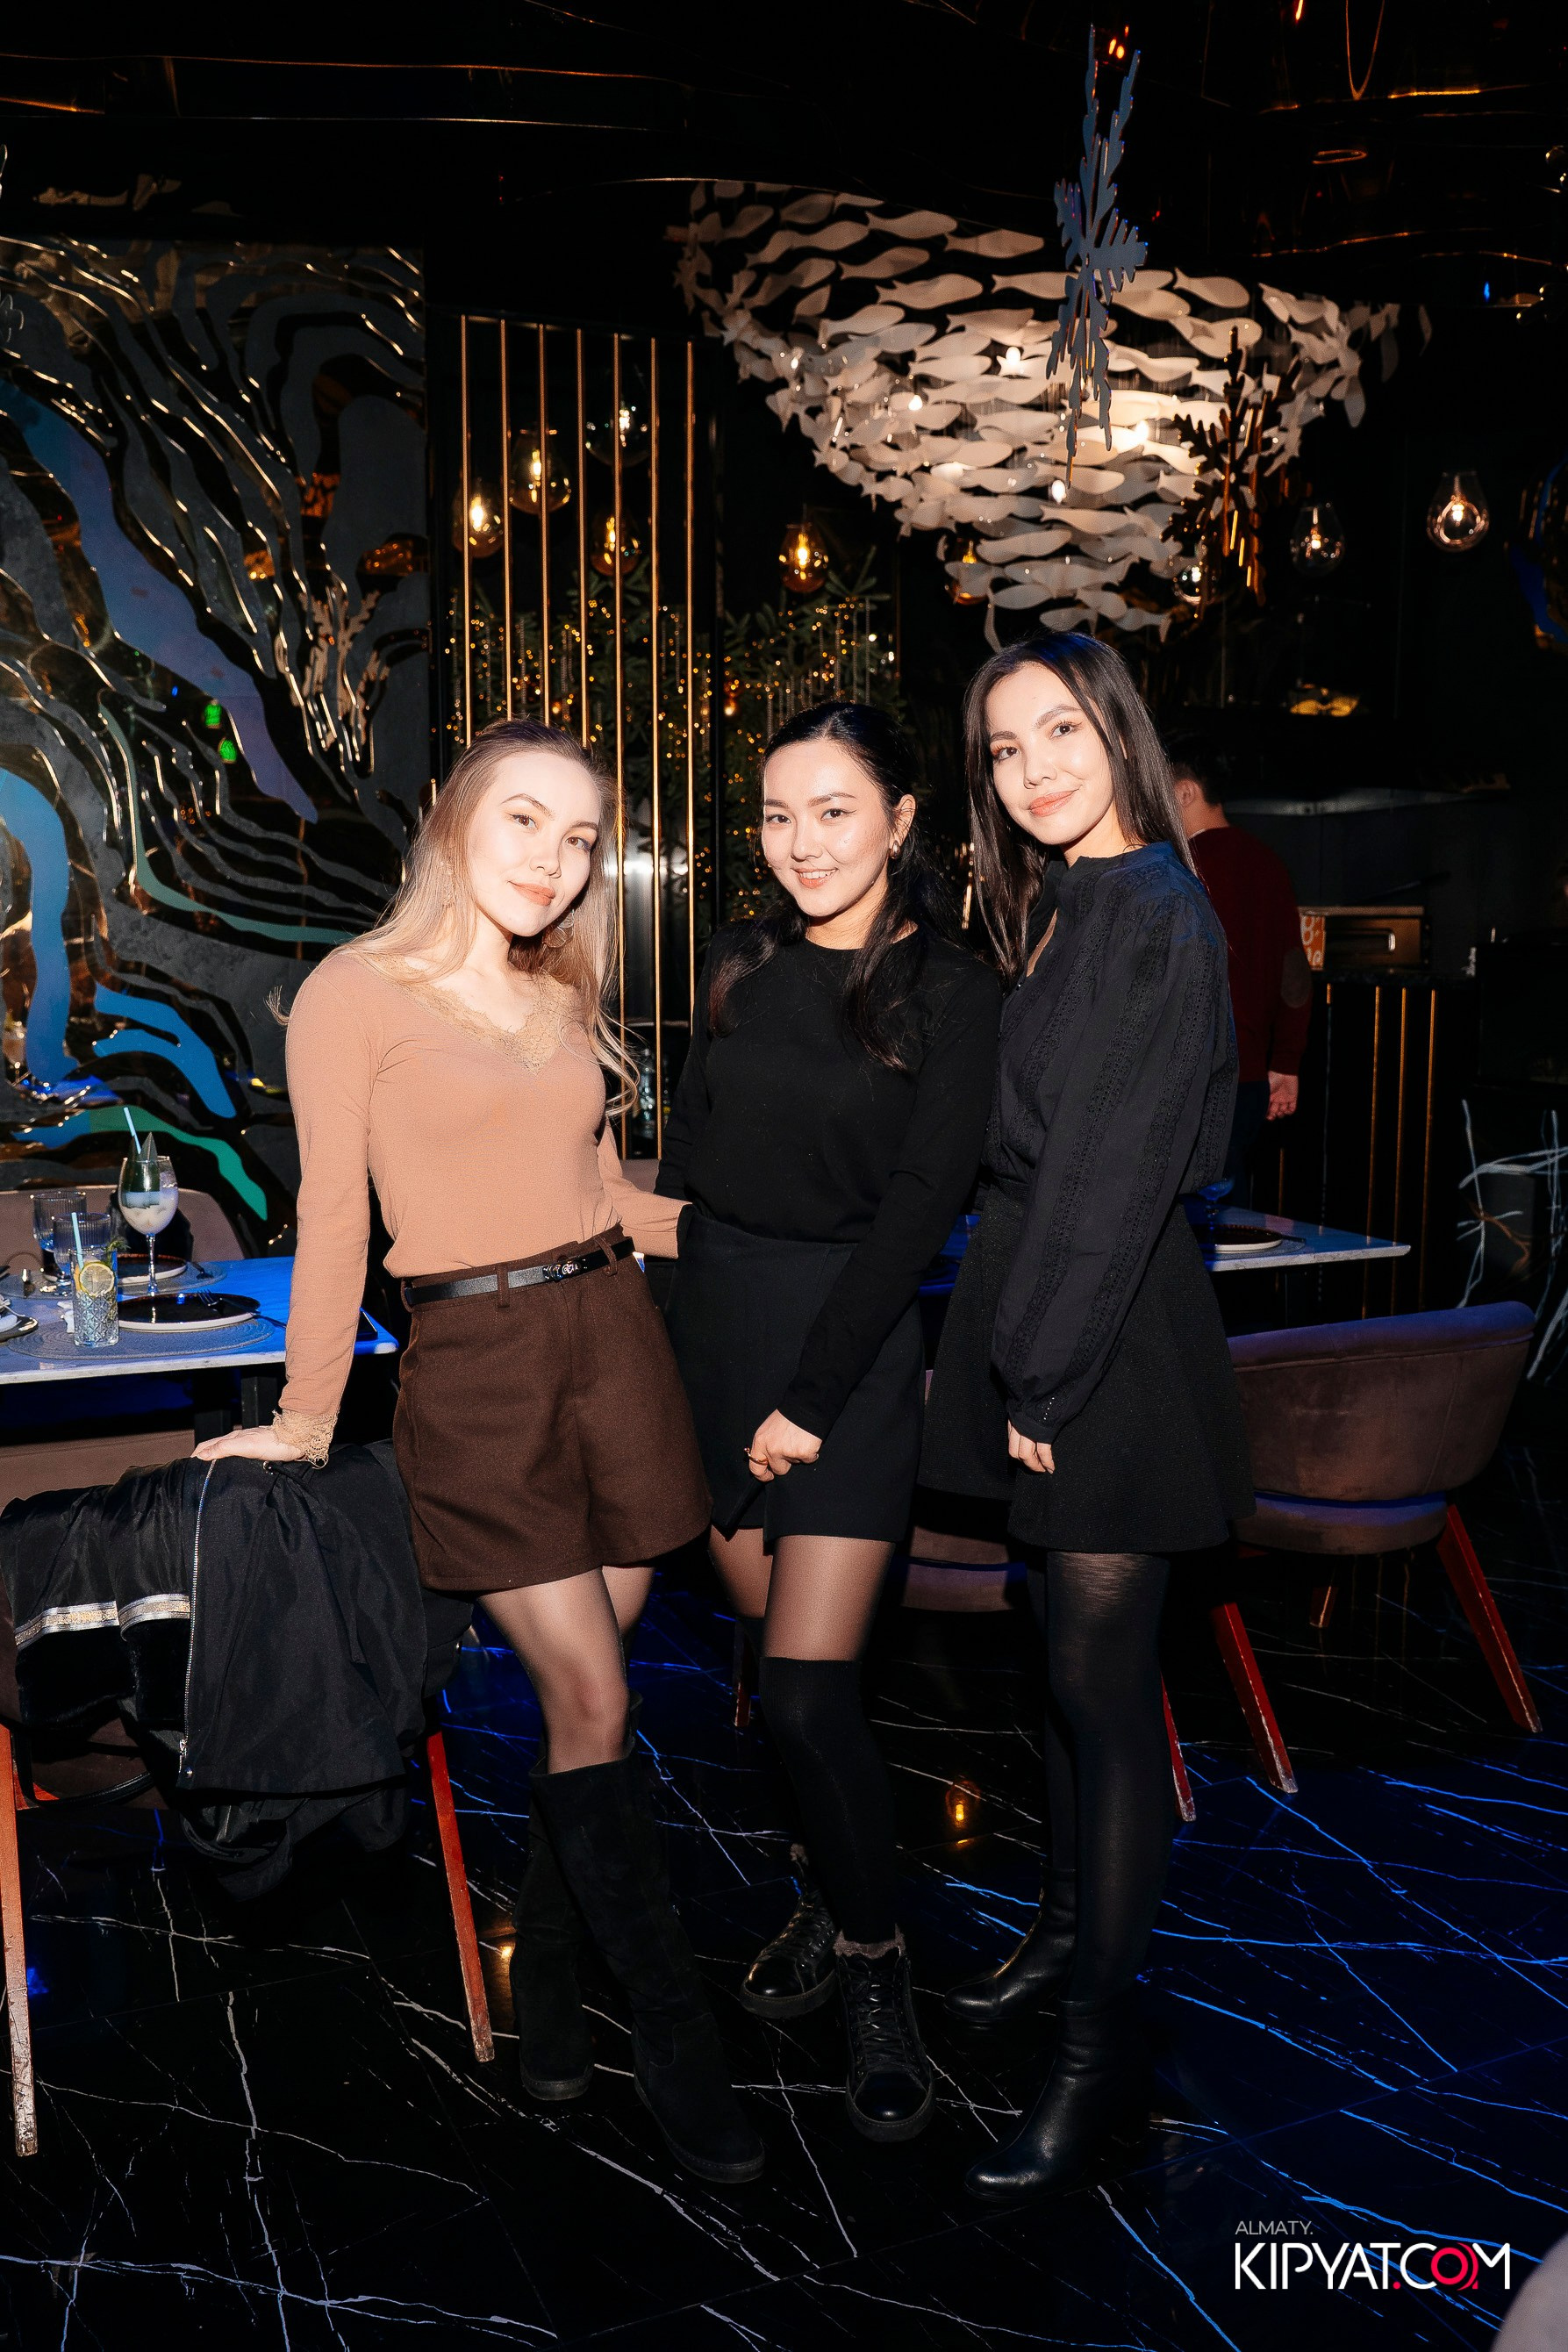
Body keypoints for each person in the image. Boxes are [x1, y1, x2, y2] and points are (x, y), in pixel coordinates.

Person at [194, 715, 763, 2187]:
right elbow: (334, 1218)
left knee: (591, 1706)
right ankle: (676, 2043)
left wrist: (769, 1239)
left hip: (616, 1346)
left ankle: (549, 1981)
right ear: (453, 815)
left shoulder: (560, 986)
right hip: (479, 1372)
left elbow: (605, 1194)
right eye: (525, 820)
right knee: (593, 1689)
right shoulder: (352, 993)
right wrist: (305, 1419)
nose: (553, 861)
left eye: (579, 840)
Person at [921, 635, 1253, 2203]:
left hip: (1103, 1335)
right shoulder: (1070, 900)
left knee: (1102, 1701)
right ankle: (1064, 1942)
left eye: (1058, 730)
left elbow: (1117, 1176)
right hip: (1057, 1306)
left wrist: (1039, 1371)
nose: (1031, 768)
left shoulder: (1153, 912)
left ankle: (1095, 2051)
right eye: (1002, 748)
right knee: (1059, 1677)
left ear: (1117, 730)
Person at [655, 701, 999, 2141]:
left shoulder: (954, 991)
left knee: (806, 1692)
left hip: (843, 1366)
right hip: (713, 1342)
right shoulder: (736, 966)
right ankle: (823, 1887)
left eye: (834, 811)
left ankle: (874, 1959)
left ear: (901, 819)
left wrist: (807, 1400)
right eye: (777, 815)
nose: (800, 843)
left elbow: (919, 1216)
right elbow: (685, 1171)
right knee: (768, 1674)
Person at [1168, 744, 1312, 1208]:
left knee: (1187, 1222)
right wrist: (1285, 1063)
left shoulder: (1177, 868)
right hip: (1248, 1084)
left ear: (1185, 792)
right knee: (1229, 1216)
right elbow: (1294, 972)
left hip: (1191, 1080)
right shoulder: (1267, 862)